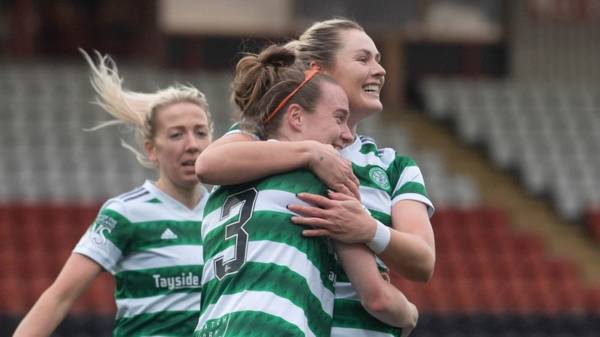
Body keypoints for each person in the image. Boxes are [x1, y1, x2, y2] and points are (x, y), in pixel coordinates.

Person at [195, 19, 434, 337]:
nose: (380, 70)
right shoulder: (265, 140)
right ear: (318, 68)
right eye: (363, 59)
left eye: (378, 59)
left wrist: (369, 229)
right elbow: (208, 163)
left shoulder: (392, 165)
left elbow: (423, 261)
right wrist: (312, 153)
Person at [13, 50, 213, 337]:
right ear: (151, 149)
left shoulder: (226, 213)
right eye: (176, 134)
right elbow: (60, 297)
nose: (192, 144)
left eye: (200, 132)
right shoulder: (125, 213)